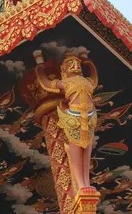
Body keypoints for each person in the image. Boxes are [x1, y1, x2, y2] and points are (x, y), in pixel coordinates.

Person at [36, 54, 98, 192]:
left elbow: (94, 79)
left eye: (77, 63)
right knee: (76, 155)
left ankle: (86, 183)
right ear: (63, 69)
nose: (75, 65)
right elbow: (46, 84)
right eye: (70, 63)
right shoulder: (66, 82)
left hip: (89, 118)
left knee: (86, 153)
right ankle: (81, 185)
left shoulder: (86, 81)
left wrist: (89, 63)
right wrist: (39, 67)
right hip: (74, 117)